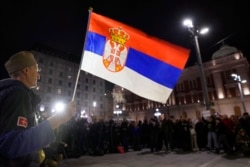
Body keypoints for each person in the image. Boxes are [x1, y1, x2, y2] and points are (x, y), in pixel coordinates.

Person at [0, 51, 76, 166]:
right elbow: (11, 145)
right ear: (26, 70)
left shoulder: (15, 94)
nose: (38, 75)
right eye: (36, 69)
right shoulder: (18, 95)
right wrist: (57, 120)